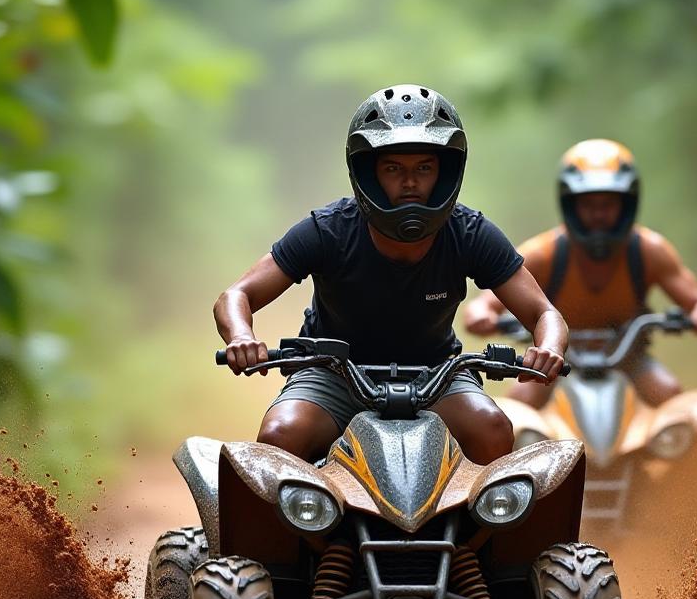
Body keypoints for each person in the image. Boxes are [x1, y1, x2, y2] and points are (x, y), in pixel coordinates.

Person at [215, 85, 568, 464]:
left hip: (438, 376)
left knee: (493, 429)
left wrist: (548, 347)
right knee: (280, 435)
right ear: (368, 172)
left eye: (424, 168)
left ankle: (484, 524)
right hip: (332, 374)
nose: (411, 182)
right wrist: (241, 336)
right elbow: (236, 296)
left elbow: (545, 313)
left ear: (445, 172)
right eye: (394, 168)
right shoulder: (328, 230)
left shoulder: (470, 232)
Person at [463, 138, 697, 408]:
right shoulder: (544, 253)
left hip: (628, 359)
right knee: (515, 412)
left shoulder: (649, 250)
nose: (598, 214)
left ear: (627, 204)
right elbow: (484, 304)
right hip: (554, 362)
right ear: (570, 205)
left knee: (675, 404)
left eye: (608, 204)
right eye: (588, 205)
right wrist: (483, 315)